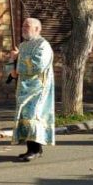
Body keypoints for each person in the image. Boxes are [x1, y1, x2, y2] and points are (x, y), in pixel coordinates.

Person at [11, 17, 55, 162]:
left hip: (38, 88)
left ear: (37, 29)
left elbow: (38, 65)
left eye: (27, 26)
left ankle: (36, 150)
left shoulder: (43, 45)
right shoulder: (23, 45)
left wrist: (19, 59)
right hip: (24, 89)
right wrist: (12, 69)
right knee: (25, 117)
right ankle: (31, 149)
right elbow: (15, 64)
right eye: (23, 26)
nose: (24, 28)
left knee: (33, 116)